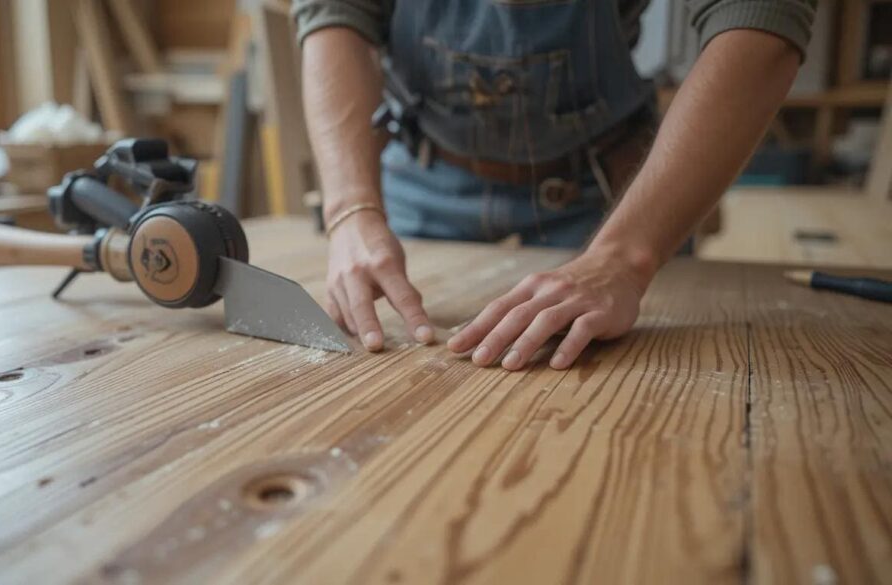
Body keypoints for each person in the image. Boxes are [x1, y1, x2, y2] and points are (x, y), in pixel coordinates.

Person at [294, 0, 815, 370]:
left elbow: (760, 16)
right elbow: (335, 13)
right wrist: (352, 210)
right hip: (423, 176)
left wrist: (626, 257)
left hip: (606, 192)